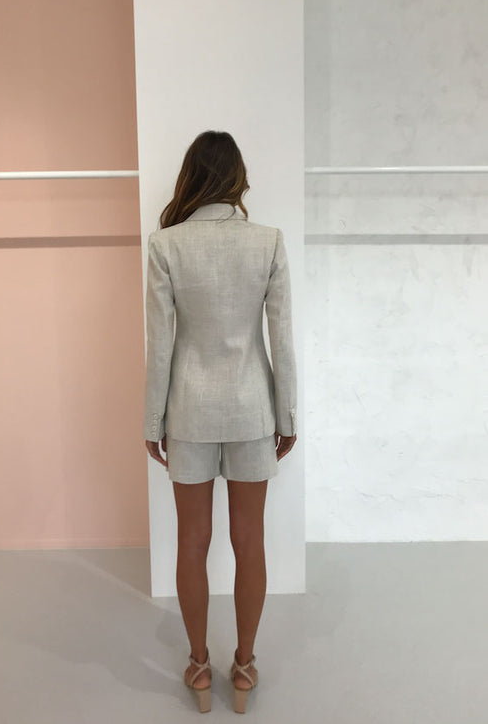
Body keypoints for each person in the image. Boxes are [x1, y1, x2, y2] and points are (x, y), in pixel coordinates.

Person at [143, 130, 297, 713]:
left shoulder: (167, 245)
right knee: (250, 541)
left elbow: (160, 347)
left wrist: (152, 421)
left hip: (188, 412)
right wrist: (287, 413)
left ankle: (199, 665)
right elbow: (281, 339)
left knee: (192, 542)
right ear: (236, 178)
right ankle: (246, 665)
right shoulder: (268, 242)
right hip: (253, 409)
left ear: (191, 177)